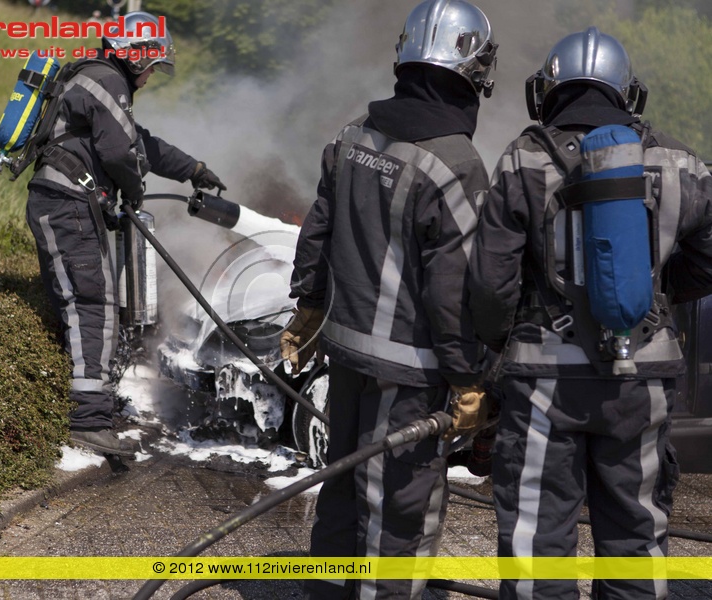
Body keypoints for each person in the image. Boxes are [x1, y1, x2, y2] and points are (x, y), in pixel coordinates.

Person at [469, 27, 712, 599]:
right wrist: (654, 293)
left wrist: (493, 356)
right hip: (642, 381)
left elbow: (490, 283)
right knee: (636, 536)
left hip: (544, 382)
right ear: (628, 92)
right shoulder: (680, 163)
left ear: (547, 91)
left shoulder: (524, 159)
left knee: (538, 542)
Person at [280, 1, 497, 597]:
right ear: (475, 72)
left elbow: (317, 230)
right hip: (410, 373)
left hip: (346, 355)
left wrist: (308, 308)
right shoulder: (456, 164)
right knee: (400, 511)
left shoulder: (352, 135)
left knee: (343, 488)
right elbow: (453, 293)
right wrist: (468, 378)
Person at [25, 11, 226, 458]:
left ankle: (76, 406)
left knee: (81, 304)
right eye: (153, 65)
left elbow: (139, 142)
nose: (152, 76)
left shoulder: (98, 79)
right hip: (68, 207)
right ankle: (88, 421)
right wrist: (134, 192)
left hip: (65, 206)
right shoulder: (107, 80)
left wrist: (192, 169)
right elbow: (120, 152)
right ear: (136, 55)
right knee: (91, 305)